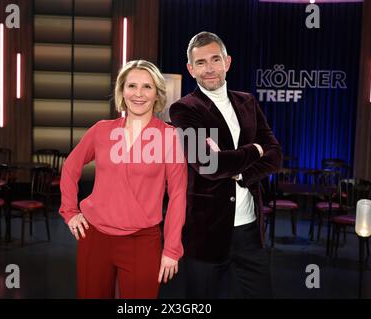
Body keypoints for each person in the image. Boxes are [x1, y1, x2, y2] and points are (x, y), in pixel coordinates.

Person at [59, 60, 187, 299]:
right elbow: (70, 167)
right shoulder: (101, 130)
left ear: (157, 94)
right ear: (122, 91)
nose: (138, 94)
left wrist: (171, 249)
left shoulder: (170, 137)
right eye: (132, 86)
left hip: (142, 241)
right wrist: (69, 210)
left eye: (147, 87)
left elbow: (178, 195)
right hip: (95, 237)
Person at [169, 31, 282, 298]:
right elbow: (208, 165)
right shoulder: (184, 109)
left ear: (227, 62)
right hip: (206, 235)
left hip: (250, 232)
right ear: (190, 69)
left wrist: (240, 173)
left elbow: (275, 155)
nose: (209, 69)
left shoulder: (248, 102)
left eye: (215, 59)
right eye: (201, 62)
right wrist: (254, 149)